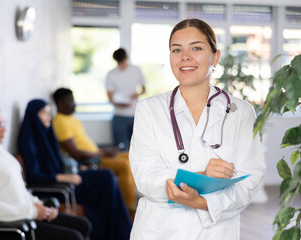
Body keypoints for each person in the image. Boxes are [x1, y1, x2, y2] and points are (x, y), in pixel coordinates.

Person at [129, 19, 266, 240]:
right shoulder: (149, 110)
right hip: (159, 230)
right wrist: (202, 176)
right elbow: (146, 177)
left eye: (196, 47)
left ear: (215, 56)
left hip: (216, 231)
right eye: (177, 49)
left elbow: (250, 179)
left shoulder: (241, 112)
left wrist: (200, 202)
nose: (185, 57)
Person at [0, 106, 91, 240]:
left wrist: (39, 205)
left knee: (83, 225)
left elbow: (20, 190)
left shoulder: (0, 152)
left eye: (3, 124)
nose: (4, 129)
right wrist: (34, 212)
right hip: (9, 227)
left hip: (25, 216)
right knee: (73, 237)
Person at [17, 99, 132, 240]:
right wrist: (64, 178)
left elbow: (58, 163)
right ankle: (116, 233)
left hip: (64, 179)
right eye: (44, 113)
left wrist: (76, 169)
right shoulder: (28, 141)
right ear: (34, 116)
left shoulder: (47, 135)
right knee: (105, 178)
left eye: (49, 113)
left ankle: (120, 231)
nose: (48, 117)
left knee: (105, 177)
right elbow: (34, 176)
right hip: (53, 187)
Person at [51, 88, 136, 210]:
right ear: (59, 103)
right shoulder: (60, 121)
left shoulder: (72, 118)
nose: (74, 104)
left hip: (97, 153)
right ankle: (129, 208)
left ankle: (129, 198)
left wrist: (105, 151)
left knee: (130, 156)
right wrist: (103, 154)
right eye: (70, 101)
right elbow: (76, 153)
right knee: (124, 166)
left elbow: (85, 144)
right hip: (89, 160)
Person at [106, 48, 146, 151]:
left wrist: (136, 95)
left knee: (138, 148)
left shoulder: (136, 70)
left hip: (135, 115)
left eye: (122, 62)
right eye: (119, 63)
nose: (121, 65)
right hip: (119, 116)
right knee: (121, 148)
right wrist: (120, 104)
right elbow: (110, 97)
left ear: (127, 58)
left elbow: (143, 89)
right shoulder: (111, 74)